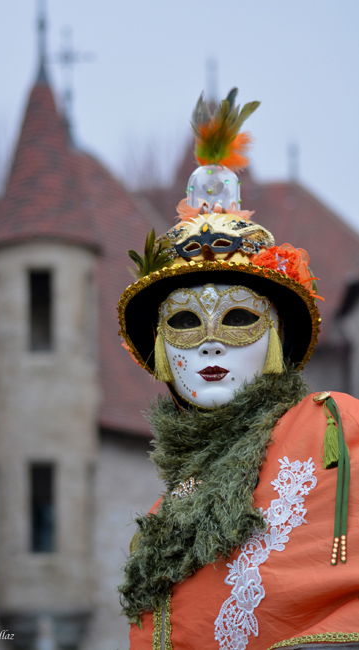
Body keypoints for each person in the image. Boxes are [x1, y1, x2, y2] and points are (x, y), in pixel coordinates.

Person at [117, 92, 359, 649]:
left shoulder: (333, 431)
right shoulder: (161, 518)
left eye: (237, 318)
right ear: (160, 351)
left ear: (276, 336)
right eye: (183, 323)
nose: (208, 345)